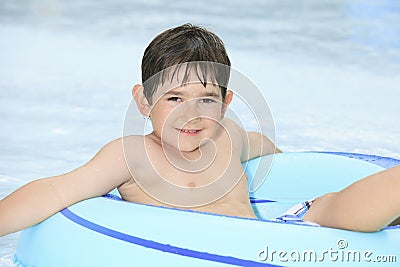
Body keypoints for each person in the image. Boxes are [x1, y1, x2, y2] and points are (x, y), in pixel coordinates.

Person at [0, 24, 399, 238]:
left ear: (225, 104)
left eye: (206, 99)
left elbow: (276, 156)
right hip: (197, 250)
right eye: (173, 99)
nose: (190, 115)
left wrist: (299, 179)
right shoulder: (131, 155)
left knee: (330, 208)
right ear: (143, 101)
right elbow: (54, 189)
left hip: (271, 238)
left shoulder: (229, 136)